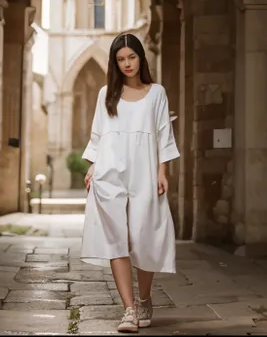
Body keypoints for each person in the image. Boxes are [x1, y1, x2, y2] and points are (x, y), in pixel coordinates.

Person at [80, 33, 180, 333]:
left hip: (145, 172)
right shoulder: (105, 94)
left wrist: (163, 171)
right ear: (115, 62)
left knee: (144, 236)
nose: (127, 64)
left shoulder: (157, 93)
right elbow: (99, 136)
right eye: (121, 59)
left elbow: (164, 135)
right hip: (110, 172)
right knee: (116, 239)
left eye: (131, 57)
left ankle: (145, 297)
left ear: (140, 58)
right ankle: (128, 309)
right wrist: (93, 166)